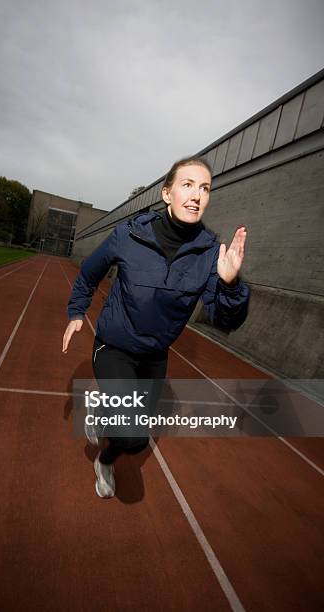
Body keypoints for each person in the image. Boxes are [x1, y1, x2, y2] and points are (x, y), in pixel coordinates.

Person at [62, 156, 249, 498]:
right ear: (167, 194)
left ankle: (104, 457)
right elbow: (89, 273)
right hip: (114, 345)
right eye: (188, 185)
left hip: (154, 356)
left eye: (204, 188)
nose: (197, 195)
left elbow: (225, 319)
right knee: (134, 435)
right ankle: (107, 410)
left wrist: (230, 284)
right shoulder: (128, 235)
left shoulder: (210, 254)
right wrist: (77, 312)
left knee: (129, 441)